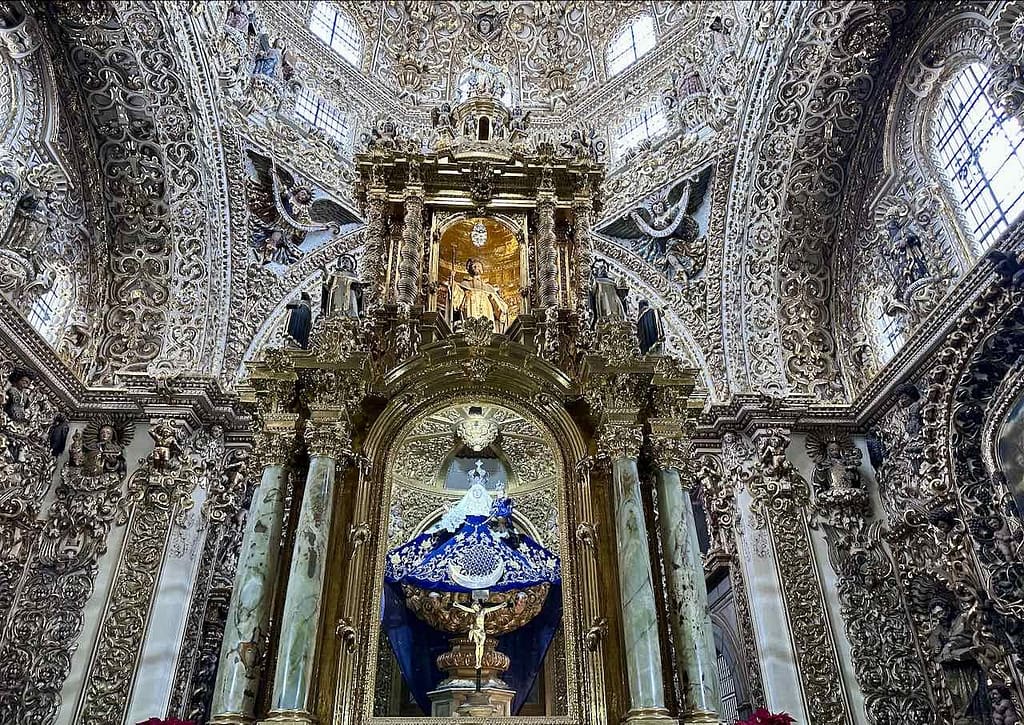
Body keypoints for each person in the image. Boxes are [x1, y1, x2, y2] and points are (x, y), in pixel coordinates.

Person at [445, 258, 508, 332]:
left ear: (482, 270)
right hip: (470, 306)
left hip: (485, 308)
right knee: (470, 328)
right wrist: (452, 281)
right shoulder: (465, 284)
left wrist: (502, 309)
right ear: (470, 270)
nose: (476, 267)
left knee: (486, 328)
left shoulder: (488, 287)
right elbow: (457, 295)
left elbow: (495, 300)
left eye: (478, 266)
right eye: (474, 266)